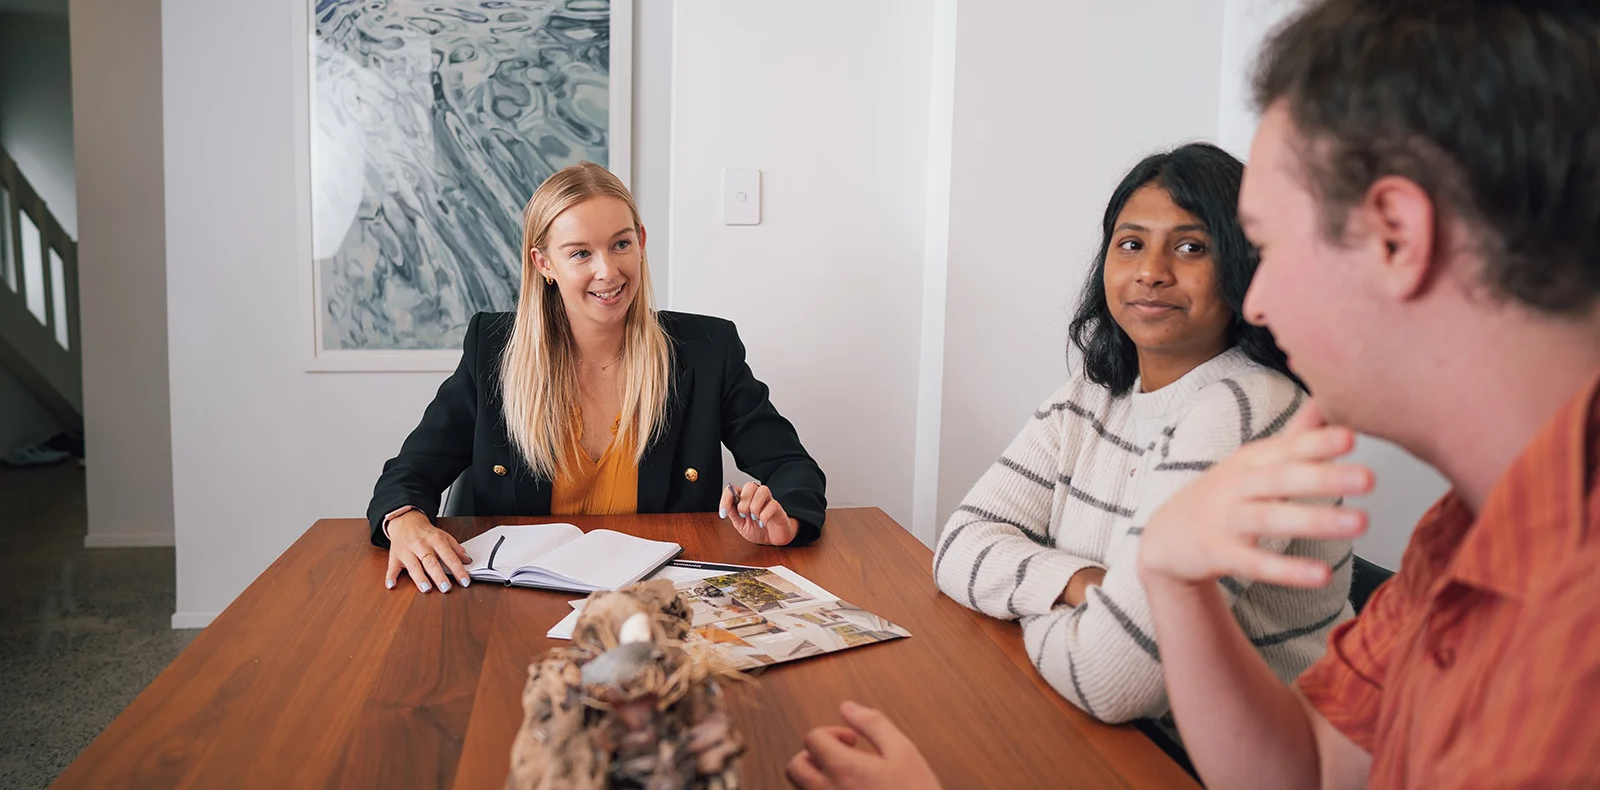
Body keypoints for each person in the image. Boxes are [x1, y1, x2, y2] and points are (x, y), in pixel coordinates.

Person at [1135, 0, 1600, 785]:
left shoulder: (1577, 643)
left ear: (1395, 235)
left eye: (1267, 246)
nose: (1256, 302)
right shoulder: (1462, 528)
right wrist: (1174, 582)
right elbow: (1313, 769)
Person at [932, 143, 1350, 723]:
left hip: (1254, 753)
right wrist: (1081, 584)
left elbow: (1111, 683)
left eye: (1191, 247)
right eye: (1131, 244)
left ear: (1242, 265)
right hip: (1125, 736)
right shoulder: (1093, 394)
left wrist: (1033, 602)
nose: (1152, 272)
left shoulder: (1248, 408)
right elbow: (958, 547)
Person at [367, 162, 826, 594]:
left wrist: (784, 521)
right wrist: (405, 519)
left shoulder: (707, 349)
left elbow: (792, 467)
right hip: (512, 601)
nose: (608, 270)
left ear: (641, 241)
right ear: (544, 263)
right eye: (581, 253)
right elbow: (409, 473)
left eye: (621, 244)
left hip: (654, 601)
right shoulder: (493, 349)